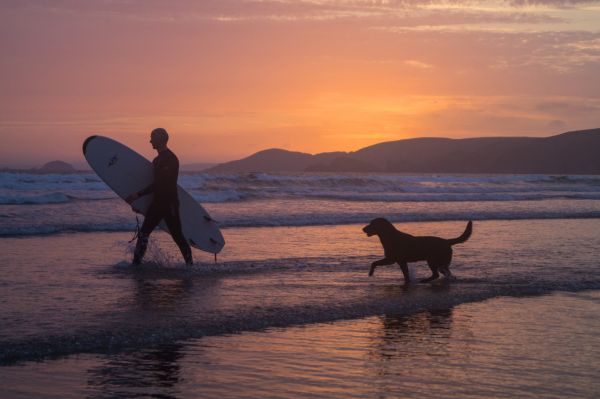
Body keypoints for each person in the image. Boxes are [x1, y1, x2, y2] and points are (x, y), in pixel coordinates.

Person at [125, 128, 193, 266]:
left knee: (178, 236)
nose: (150, 141)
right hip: (157, 203)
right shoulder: (157, 160)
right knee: (143, 234)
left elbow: (161, 184)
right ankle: (136, 265)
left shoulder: (170, 159)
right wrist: (142, 204)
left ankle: (190, 266)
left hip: (169, 203)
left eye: (152, 138)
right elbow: (155, 185)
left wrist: (138, 195)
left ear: (160, 139)